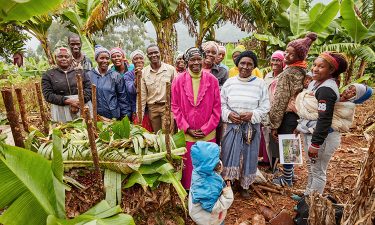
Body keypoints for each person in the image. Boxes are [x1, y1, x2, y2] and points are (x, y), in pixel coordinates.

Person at [269, 33, 317, 186]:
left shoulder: (287, 74)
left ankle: (287, 178)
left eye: (291, 54)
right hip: (300, 115)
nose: (286, 55)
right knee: (291, 144)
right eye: (286, 51)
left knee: (287, 145)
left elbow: (280, 101)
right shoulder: (305, 72)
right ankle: (290, 174)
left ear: (299, 56)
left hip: (288, 115)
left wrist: (274, 124)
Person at [298, 51, 349, 195]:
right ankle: (307, 197)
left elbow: (324, 119)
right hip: (313, 132)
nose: (315, 69)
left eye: (321, 67)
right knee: (311, 166)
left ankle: (312, 205)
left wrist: (316, 144)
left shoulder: (326, 89)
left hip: (322, 138)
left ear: (331, 70)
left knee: (318, 170)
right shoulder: (317, 83)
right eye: (314, 65)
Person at [220, 51, 270, 198]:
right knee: (229, 153)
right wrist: (229, 114)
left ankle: (244, 185)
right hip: (232, 126)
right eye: (242, 63)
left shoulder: (260, 84)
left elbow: (265, 106)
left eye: (250, 64)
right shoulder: (229, 83)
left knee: (249, 155)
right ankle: (229, 182)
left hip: (251, 128)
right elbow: (222, 104)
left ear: (254, 66)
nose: (245, 67)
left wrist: (252, 115)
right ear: (237, 64)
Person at [171, 47, 221, 189]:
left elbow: (217, 109)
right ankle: (189, 193)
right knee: (189, 168)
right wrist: (186, 128)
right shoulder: (178, 81)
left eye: (199, 59)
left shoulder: (212, 80)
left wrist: (205, 129)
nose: (196, 62)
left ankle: (206, 193)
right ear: (187, 61)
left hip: (208, 132)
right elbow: (175, 107)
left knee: (207, 164)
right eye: (192, 59)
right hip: (187, 134)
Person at [42, 47, 91, 123]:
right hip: (61, 108)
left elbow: (89, 89)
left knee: (85, 128)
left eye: (66, 56)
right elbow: (48, 95)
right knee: (64, 131)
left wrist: (79, 101)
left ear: (71, 58)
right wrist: (69, 101)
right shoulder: (48, 75)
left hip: (82, 106)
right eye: (60, 56)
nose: (63, 59)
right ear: (55, 58)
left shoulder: (81, 72)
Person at [188, 141, 234, 225]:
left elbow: (209, 167)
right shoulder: (207, 187)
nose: (218, 161)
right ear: (209, 165)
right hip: (209, 218)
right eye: (215, 159)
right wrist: (228, 196)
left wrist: (216, 168)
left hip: (199, 212)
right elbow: (213, 208)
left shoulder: (199, 169)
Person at [140, 44, 177, 132]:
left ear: (160, 53)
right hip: (152, 109)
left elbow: (176, 92)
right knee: (157, 137)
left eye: (156, 52)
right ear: (147, 56)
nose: (153, 55)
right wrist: (140, 116)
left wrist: (173, 111)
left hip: (167, 107)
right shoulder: (144, 72)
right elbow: (142, 95)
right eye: (150, 53)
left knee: (168, 136)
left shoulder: (170, 70)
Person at [88, 45, 131, 120]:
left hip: (113, 116)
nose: (105, 61)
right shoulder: (89, 75)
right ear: (96, 59)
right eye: (102, 58)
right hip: (95, 117)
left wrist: (125, 117)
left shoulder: (116, 76)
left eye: (107, 58)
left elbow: (123, 99)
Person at [260, 50, 285, 169]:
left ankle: (286, 169)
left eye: (278, 60)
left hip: (282, 112)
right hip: (268, 112)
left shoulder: (285, 76)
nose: (275, 62)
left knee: (282, 138)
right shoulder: (268, 76)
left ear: (283, 62)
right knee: (269, 139)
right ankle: (271, 164)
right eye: (273, 59)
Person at [123, 50, 145, 120]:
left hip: (149, 110)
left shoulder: (148, 72)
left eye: (141, 58)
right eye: (136, 59)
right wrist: (136, 77)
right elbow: (131, 90)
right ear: (132, 61)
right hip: (135, 109)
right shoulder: (128, 75)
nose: (139, 60)